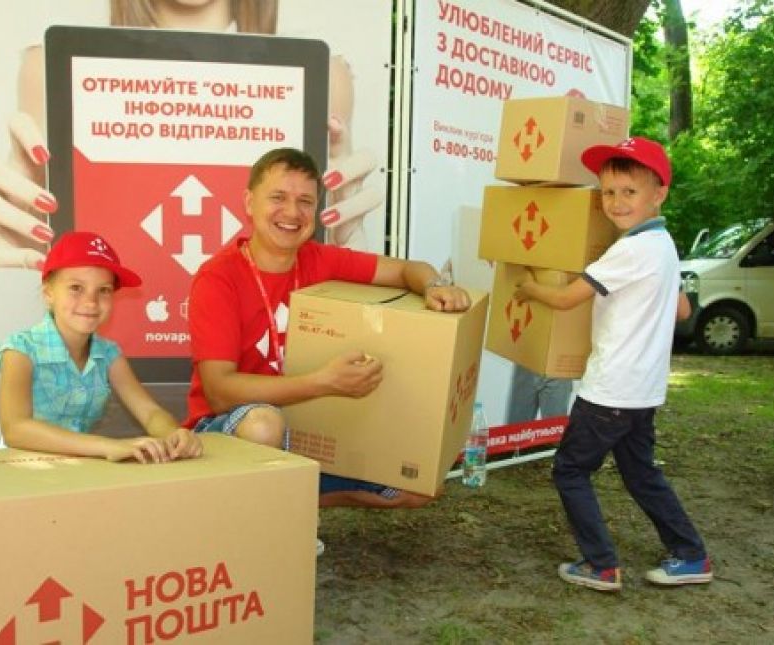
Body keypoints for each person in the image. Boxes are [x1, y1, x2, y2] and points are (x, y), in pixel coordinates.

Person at [0, 0, 380, 269]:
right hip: (112, 356)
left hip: (269, 355)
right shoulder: (50, 68)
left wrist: (343, 246)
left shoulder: (324, 76)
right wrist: (32, 225)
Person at [185, 147, 471, 511]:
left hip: (304, 427)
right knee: (263, 425)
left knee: (418, 485)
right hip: (227, 429)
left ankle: (302, 504)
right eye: (278, 197)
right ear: (249, 202)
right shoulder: (218, 278)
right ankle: (263, 528)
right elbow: (219, 391)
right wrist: (324, 382)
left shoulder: (320, 259)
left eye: (305, 201)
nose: (292, 212)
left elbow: (406, 269)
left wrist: (435, 286)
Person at [514, 136, 711, 592]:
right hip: (642, 390)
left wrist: (528, 288)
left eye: (629, 192)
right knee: (641, 473)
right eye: (607, 192)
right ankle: (691, 554)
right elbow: (682, 310)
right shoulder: (663, 244)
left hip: (610, 389)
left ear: (659, 193)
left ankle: (600, 565)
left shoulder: (630, 250)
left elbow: (566, 299)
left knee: (569, 470)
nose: (616, 202)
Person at [0, 230, 204, 464]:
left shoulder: (109, 354)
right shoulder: (20, 350)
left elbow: (149, 412)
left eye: (103, 290)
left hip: (79, 467)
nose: (91, 302)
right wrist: (106, 446)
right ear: (48, 293)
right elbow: (15, 429)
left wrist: (174, 433)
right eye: (76, 287)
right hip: (20, 467)